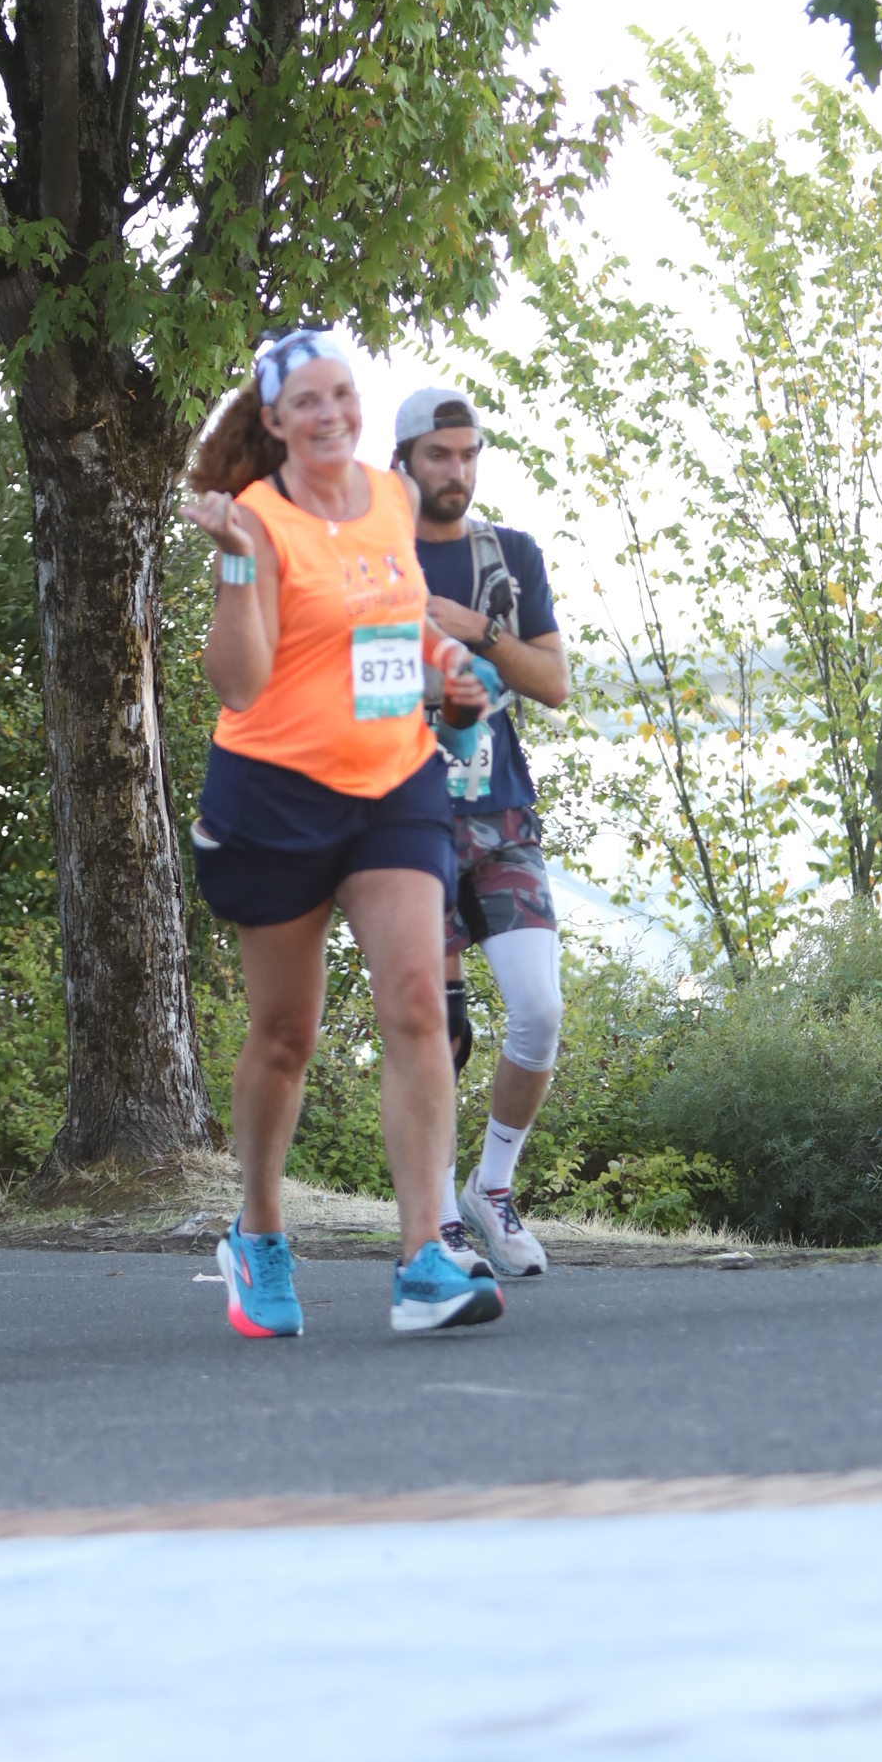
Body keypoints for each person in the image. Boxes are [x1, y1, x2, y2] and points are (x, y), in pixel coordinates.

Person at [186, 327, 502, 1340]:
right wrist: (239, 564)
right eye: (308, 402)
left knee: (416, 1002)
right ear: (275, 421)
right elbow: (239, 682)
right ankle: (259, 1230)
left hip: (393, 780)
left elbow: (392, 622)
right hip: (275, 795)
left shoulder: (392, 497)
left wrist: (444, 667)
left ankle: (423, 1258)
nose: (331, 414)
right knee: (287, 1034)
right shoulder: (257, 517)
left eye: (342, 395)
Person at [393, 387, 571, 1282]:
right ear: (402, 461)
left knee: (540, 1011)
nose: (456, 470)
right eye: (439, 455)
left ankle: (490, 1189)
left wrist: (482, 633)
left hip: (500, 813)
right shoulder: (374, 556)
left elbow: (555, 683)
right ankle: (435, 1221)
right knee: (441, 1027)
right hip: (401, 815)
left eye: (468, 454)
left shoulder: (510, 555)